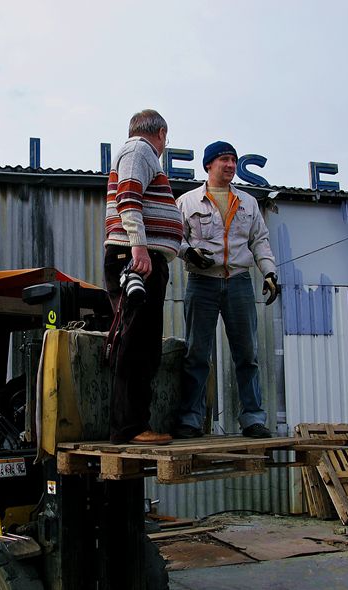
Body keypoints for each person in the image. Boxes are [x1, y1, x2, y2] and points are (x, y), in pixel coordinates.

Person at [173, 141, 278, 440]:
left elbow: (260, 240)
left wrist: (269, 272)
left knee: (248, 355)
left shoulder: (248, 202)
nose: (230, 165)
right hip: (201, 284)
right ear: (208, 165)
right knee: (196, 354)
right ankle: (191, 420)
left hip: (239, 283)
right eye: (223, 159)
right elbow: (174, 240)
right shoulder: (187, 202)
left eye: (233, 159)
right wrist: (188, 253)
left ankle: (253, 419)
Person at [103, 109, 183, 444]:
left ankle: (134, 424)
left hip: (143, 257)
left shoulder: (139, 153)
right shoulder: (139, 151)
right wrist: (139, 248)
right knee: (137, 343)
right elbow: (128, 199)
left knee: (143, 343)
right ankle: (130, 427)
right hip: (136, 258)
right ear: (162, 133)